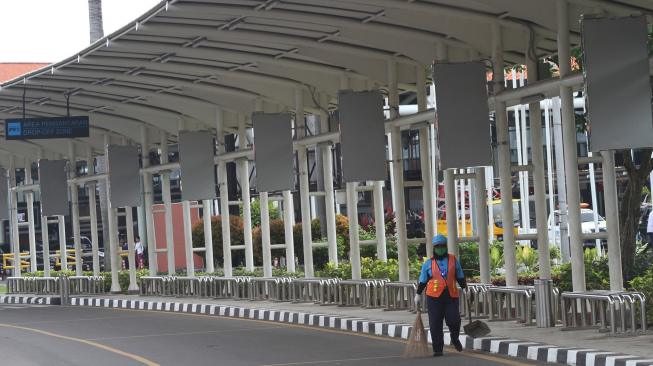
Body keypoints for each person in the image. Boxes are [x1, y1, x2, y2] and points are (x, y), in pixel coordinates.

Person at [414, 234, 467, 357]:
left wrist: (465, 288)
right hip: (433, 297)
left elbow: (460, 275)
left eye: (442, 246)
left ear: (446, 247)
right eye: (438, 247)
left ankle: (455, 338)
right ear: (434, 248)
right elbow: (423, 280)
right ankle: (438, 349)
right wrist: (418, 294)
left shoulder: (453, 260)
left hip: (451, 296)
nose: (440, 248)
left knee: (454, 320)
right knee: (435, 323)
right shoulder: (428, 263)